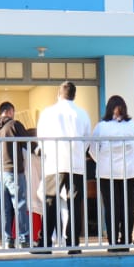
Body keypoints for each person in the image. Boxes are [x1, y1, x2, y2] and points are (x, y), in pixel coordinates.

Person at [36, 81, 91, 252]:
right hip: (76, 164)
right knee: (74, 204)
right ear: (74, 95)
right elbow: (87, 140)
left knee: (50, 202)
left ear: (58, 94)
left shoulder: (48, 112)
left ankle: (45, 243)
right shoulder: (82, 114)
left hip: (54, 163)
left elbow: (41, 137)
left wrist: (46, 152)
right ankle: (73, 243)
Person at [90, 95, 134, 250]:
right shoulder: (132, 125)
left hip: (107, 173)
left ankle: (113, 241)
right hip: (129, 172)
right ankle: (126, 240)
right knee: (127, 207)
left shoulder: (101, 127)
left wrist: (103, 161)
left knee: (111, 207)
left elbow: (93, 150)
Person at [0, 102, 31, 248]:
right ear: (10, 112)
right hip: (13, 170)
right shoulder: (14, 125)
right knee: (20, 204)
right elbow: (28, 143)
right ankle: (24, 238)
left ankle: (7, 240)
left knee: (4, 207)